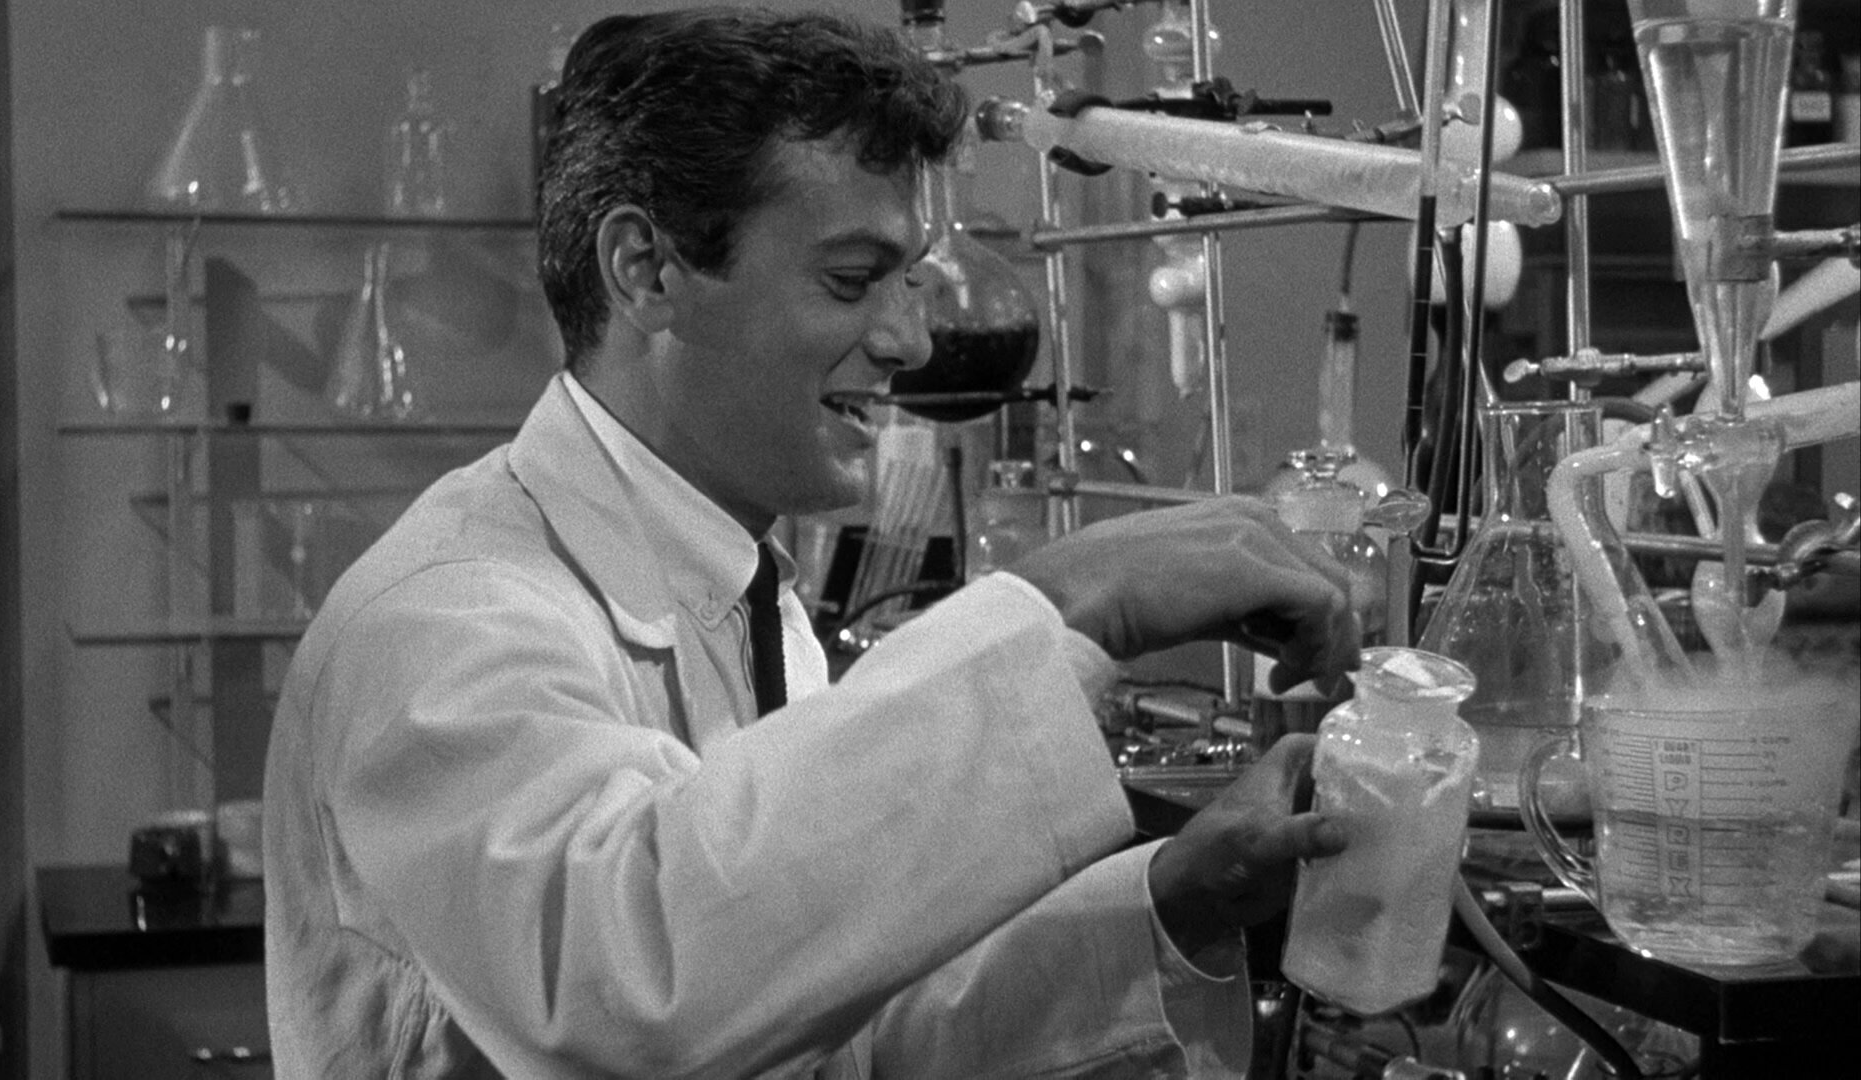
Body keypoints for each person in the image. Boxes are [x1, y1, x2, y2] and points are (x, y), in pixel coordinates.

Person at [263, 6, 1361, 1077]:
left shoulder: (745, 597)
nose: (910, 341)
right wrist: (1071, 600)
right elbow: (625, 996)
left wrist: (1178, 902)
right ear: (646, 269)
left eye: (908, 279)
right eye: (851, 280)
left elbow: (828, 1032)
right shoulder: (443, 617)